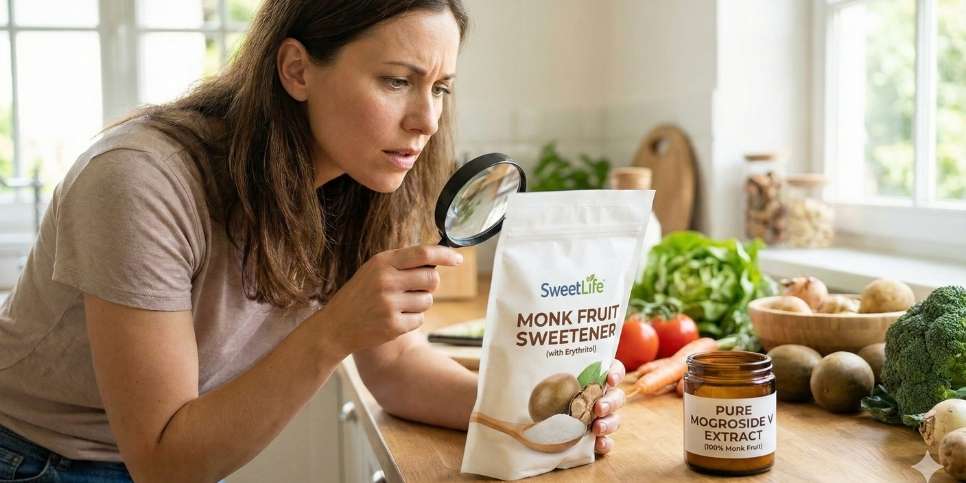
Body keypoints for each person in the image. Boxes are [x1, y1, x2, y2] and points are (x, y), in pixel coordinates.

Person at [0, 1, 626, 481]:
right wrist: (334, 330)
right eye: (395, 81)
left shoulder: (370, 176)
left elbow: (400, 367)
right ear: (297, 70)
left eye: (439, 88)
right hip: (35, 458)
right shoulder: (139, 179)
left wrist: (535, 410)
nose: (427, 120)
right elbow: (165, 462)